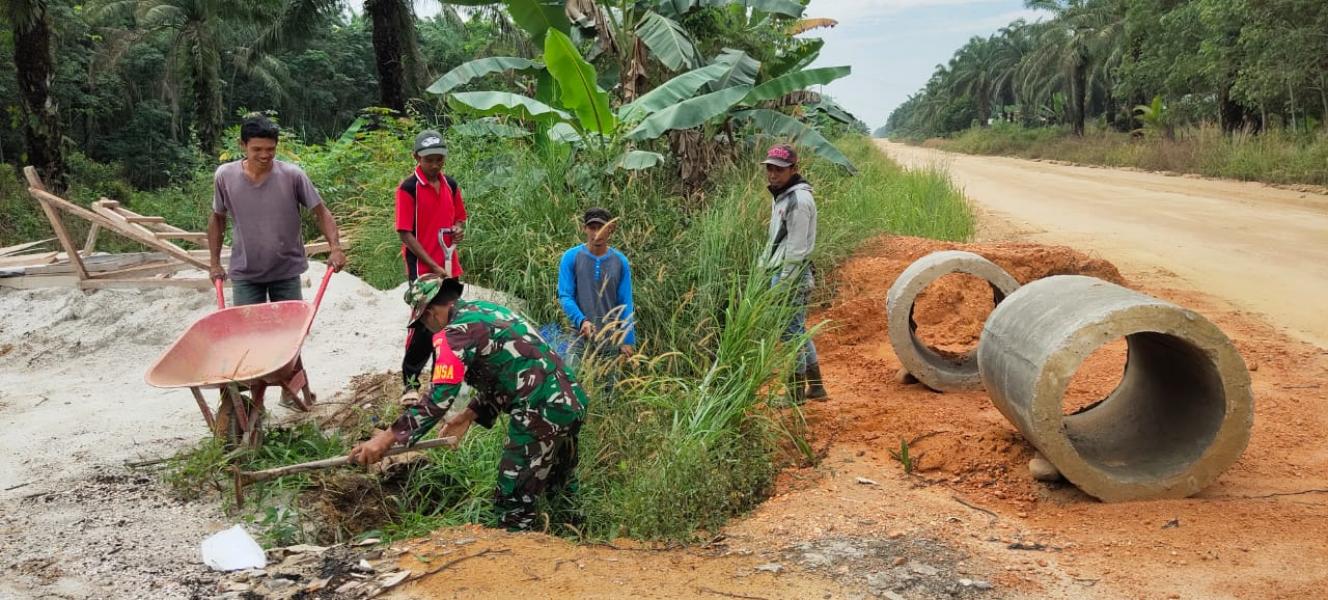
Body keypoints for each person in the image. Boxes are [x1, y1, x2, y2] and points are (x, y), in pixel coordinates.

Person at [348, 275, 587, 532]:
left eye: (423, 322)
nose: (427, 328)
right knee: (559, 482)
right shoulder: (488, 311)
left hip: (539, 412)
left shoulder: (453, 335)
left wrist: (386, 439)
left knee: (513, 498)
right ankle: (580, 541)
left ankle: (519, 559)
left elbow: (437, 400)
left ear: (430, 313)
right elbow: (512, 374)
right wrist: (470, 414)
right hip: (570, 401)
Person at [208, 114, 347, 303]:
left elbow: (321, 212)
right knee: (249, 329)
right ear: (242, 145)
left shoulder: (292, 176)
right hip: (246, 272)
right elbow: (218, 218)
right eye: (257, 149)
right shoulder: (225, 176)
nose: (265, 155)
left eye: (270, 149)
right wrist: (215, 263)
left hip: (286, 272)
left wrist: (336, 248)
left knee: (288, 329)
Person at [396, 129, 468, 388]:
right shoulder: (409, 188)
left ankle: (442, 378)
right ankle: (411, 382)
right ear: (417, 157)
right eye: (429, 160)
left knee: (449, 320)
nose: (435, 165)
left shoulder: (451, 185)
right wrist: (434, 265)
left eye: (439, 159)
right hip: (424, 269)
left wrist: (458, 229)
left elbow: (459, 217)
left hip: (450, 265)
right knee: (425, 323)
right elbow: (405, 233)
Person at [762, 143, 827, 403]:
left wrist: (784, 283)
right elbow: (777, 241)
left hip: (791, 275)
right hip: (783, 272)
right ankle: (817, 387)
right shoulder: (784, 196)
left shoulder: (798, 201)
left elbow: (797, 250)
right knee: (797, 331)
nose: (773, 174)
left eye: (779, 169)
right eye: (769, 168)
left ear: (793, 169)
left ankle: (796, 393)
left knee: (790, 335)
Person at [557, 207, 635, 364]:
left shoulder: (620, 262)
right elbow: (565, 296)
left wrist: (627, 339)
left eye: (602, 228)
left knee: (608, 387)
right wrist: (581, 320)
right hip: (578, 335)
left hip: (610, 337)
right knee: (574, 383)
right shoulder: (571, 257)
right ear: (584, 228)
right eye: (592, 228)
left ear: (611, 229)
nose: (596, 233)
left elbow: (625, 302)